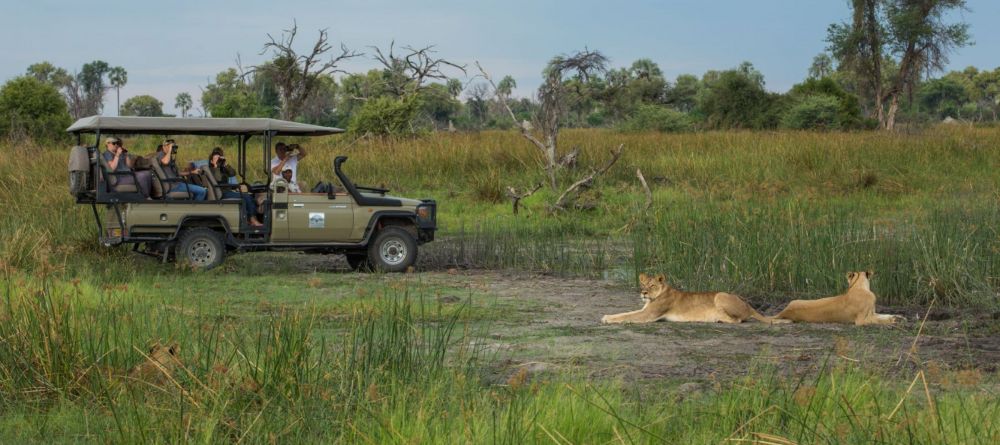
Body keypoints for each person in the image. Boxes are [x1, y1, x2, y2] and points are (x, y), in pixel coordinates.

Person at [208, 147, 262, 226]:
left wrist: (225, 164)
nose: (218, 160)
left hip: (227, 191)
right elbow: (218, 179)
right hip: (222, 193)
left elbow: (232, 173)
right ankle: (252, 219)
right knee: (246, 196)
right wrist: (216, 166)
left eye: (219, 158)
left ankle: (248, 218)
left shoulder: (222, 168)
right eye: (215, 159)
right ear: (211, 161)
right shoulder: (212, 170)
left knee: (249, 195)